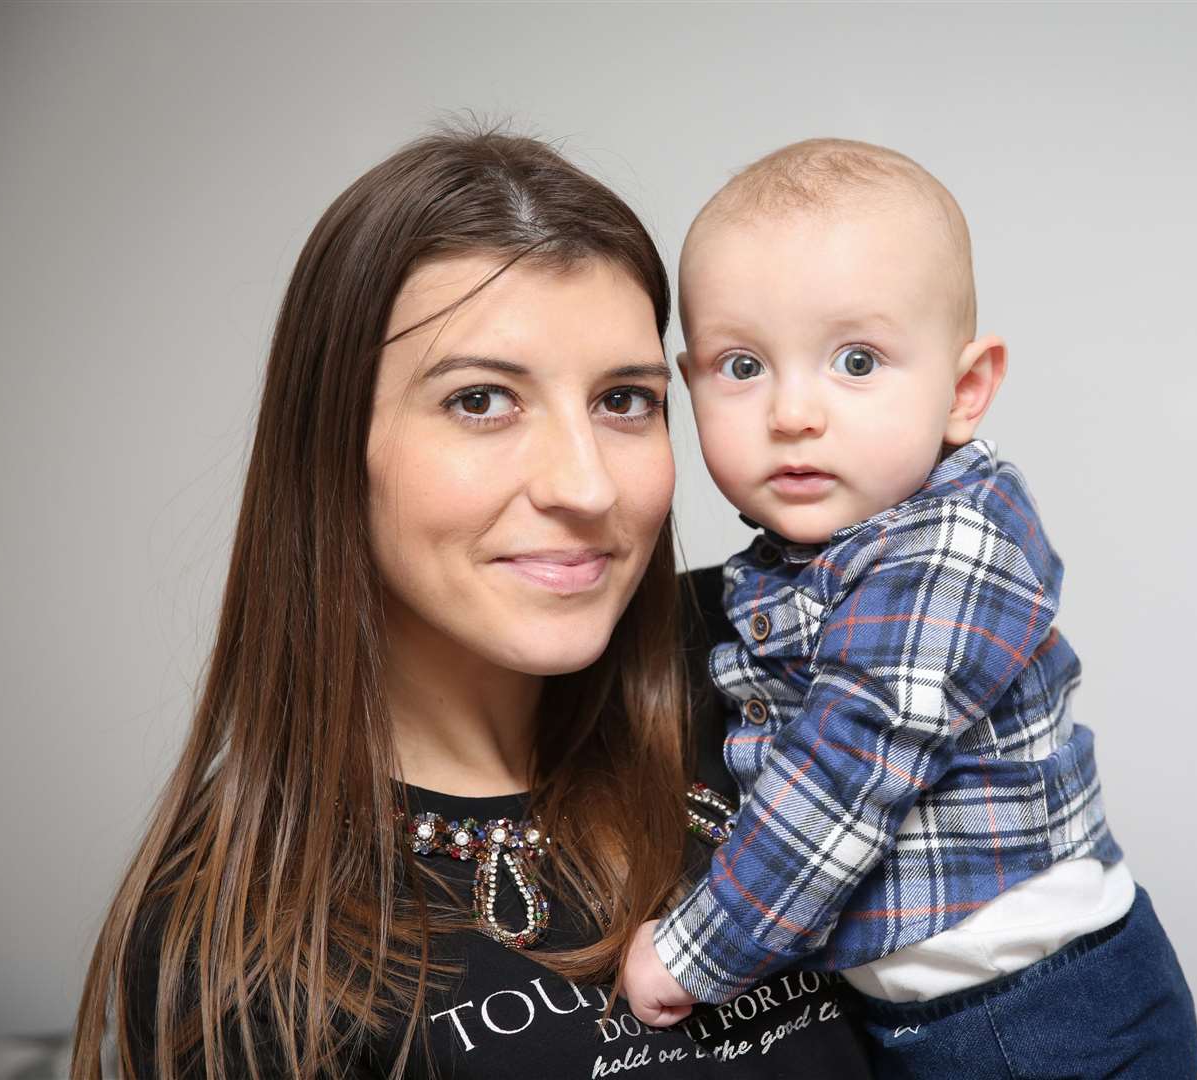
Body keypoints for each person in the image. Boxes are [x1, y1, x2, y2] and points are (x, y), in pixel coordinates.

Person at [71, 127, 872, 1079]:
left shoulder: (797, 660)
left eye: (624, 400)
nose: (586, 487)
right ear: (332, 447)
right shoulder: (239, 951)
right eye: (482, 401)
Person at [619, 138, 1197, 1078]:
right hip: (937, 1013)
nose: (793, 412)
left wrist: (693, 952)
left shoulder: (948, 550)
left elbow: (843, 779)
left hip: (1036, 1015)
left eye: (856, 360)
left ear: (965, 390)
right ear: (688, 385)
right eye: (741, 366)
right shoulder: (794, 562)